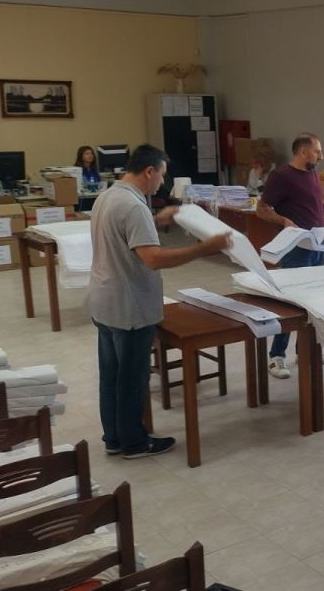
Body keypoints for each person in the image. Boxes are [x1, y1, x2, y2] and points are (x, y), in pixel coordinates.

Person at [87, 144, 230, 459]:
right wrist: (205, 248)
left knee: (111, 376)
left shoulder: (108, 196)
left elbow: (125, 231)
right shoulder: (134, 206)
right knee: (132, 378)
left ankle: (114, 438)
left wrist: (157, 220)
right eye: (162, 175)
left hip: (104, 301)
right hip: (129, 306)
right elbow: (153, 259)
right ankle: (134, 443)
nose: (162, 182)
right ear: (149, 171)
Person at [256, 133, 324, 379]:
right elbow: (262, 209)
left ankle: (307, 350)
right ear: (303, 152)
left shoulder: (312, 173)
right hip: (296, 248)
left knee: (314, 300)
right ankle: (276, 356)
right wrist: (283, 220)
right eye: (317, 151)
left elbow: (317, 201)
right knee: (291, 303)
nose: (321, 156)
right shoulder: (281, 176)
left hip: (317, 246)